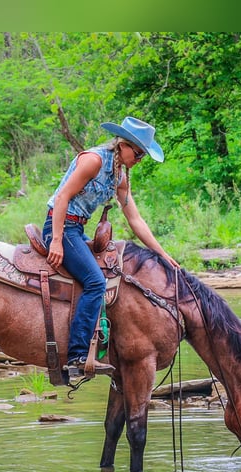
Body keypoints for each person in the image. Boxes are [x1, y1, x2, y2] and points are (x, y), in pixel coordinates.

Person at [42, 116, 180, 378]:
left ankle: (107, 345)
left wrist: (162, 253)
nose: (138, 160)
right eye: (137, 153)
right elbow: (62, 197)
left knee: (113, 272)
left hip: (78, 228)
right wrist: (57, 240)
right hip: (61, 225)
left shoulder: (120, 176)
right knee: (95, 282)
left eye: (143, 157)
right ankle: (76, 357)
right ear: (122, 145)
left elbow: (135, 219)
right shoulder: (93, 160)